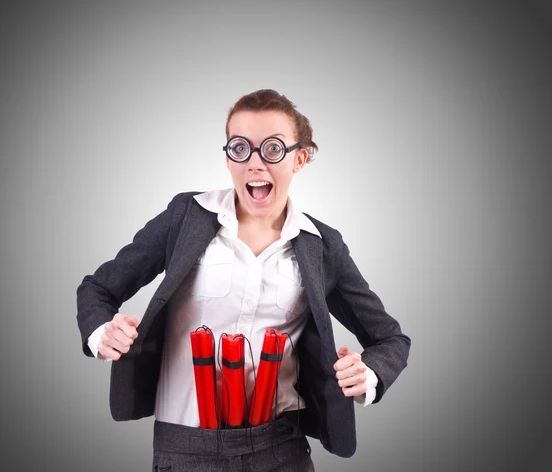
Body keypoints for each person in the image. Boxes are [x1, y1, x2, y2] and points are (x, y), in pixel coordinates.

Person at [76, 89, 411, 471]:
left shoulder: (322, 246)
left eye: (272, 149)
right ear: (228, 158)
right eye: (240, 148)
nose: (255, 163)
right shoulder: (185, 217)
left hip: (280, 447)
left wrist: (367, 372)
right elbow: (98, 288)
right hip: (186, 449)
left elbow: (390, 338)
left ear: (299, 159)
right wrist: (102, 333)